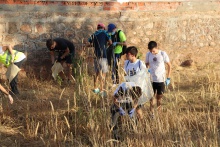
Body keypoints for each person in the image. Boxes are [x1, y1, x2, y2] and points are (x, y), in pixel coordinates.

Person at [145, 41, 171, 118]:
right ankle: (151, 114)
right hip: (151, 80)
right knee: (151, 98)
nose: (152, 52)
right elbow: (146, 64)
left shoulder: (163, 54)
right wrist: (147, 70)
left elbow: (169, 65)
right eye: (150, 51)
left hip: (160, 80)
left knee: (159, 99)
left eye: (153, 51)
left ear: (156, 48)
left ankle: (159, 115)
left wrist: (168, 77)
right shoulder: (148, 54)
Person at [87, 23, 112, 94]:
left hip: (96, 56)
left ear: (97, 28)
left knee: (97, 73)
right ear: (103, 28)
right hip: (103, 55)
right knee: (103, 73)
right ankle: (102, 90)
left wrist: (94, 45)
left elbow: (88, 44)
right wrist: (105, 44)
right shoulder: (105, 33)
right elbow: (110, 42)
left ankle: (95, 88)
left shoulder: (94, 34)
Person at [124, 46, 147, 120]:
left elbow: (144, 76)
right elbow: (125, 74)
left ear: (132, 55)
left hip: (137, 89)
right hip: (129, 88)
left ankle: (141, 123)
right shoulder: (126, 63)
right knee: (130, 107)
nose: (126, 56)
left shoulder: (140, 63)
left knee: (137, 108)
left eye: (127, 54)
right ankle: (133, 122)